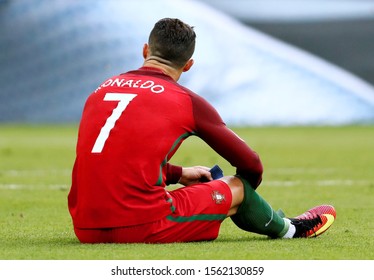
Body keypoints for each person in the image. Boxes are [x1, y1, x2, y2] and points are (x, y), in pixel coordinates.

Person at [68, 18, 336, 243]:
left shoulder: (101, 90)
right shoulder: (186, 100)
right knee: (236, 185)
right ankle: (290, 229)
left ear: (145, 50)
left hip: (84, 227)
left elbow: (114, 158)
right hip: (140, 225)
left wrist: (178, 173)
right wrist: (241, 196)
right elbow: (251, 164)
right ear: (188, 65)